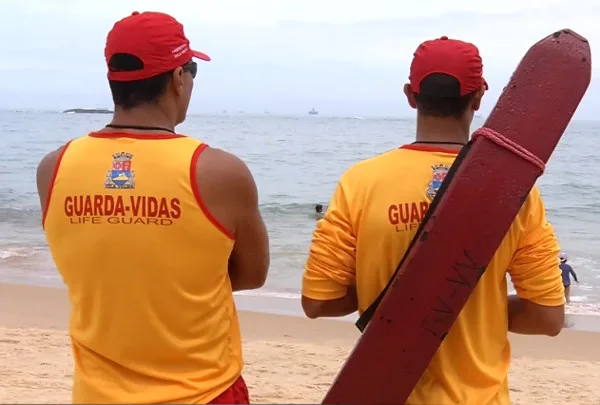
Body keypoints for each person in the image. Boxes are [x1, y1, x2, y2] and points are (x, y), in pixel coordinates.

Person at [301, 36, 565, 404]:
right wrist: (466, 305)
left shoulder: (360, 182)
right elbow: (548, 318)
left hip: (385, 392)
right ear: (478, 98)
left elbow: (317, 302)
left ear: (411, 95)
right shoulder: (516, 193)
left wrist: (404, 304)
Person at [36, 11, 269, 404]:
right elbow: (252, 275)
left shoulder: (54, 167)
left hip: (97, 394)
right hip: (202, 392)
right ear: (178, 79)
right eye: (191, 70)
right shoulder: (218, 171)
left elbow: (96, 260)